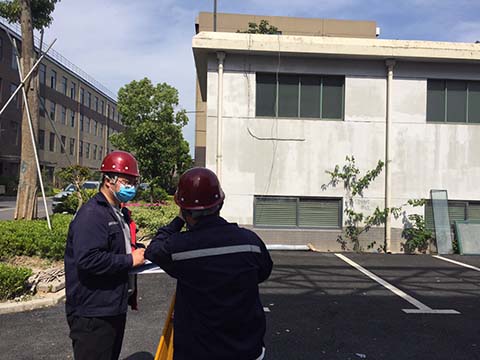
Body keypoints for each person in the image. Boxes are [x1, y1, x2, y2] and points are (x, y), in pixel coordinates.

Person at [145, 167, 273, 360]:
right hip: (247, 350)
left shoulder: (180, 248)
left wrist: (177, 222)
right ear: (220, 203)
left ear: (184, 209)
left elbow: (153, 249)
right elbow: (264, 272)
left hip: (197, 351)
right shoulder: (250, 242)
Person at [64, 150, 145, 360]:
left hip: (113, 306)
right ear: (109, 181)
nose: (131, 187)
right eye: (127, 182)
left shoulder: (118, 211)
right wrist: (130, 259)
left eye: (134, 182)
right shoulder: (92, 215)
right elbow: (88, 259)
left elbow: (116, 247)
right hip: (92, 313)